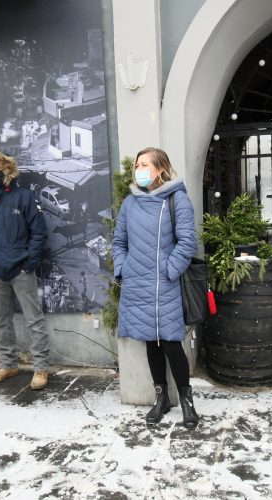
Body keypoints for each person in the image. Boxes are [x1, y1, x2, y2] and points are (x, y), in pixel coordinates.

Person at [112, 147, 199, 429]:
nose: (139, 169)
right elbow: (119, 242)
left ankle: (186, 400)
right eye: (138, 165)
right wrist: (123, 267)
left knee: (172, 344)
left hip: (166, 285)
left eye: (145, 164)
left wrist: (170, 270)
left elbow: (187, 242)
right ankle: (160, 399)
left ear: (160, 169)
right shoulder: (130, 203)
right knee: (151, 341)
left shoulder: (177, 200)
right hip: (138, 283)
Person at [0, 149, 50, 390]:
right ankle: (8, 365)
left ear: (8, 168)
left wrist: (29, 263)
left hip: (21, 268)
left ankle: (41, 369)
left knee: (34, 319)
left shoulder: (23, 197)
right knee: (2, 320)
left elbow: (39, 232)